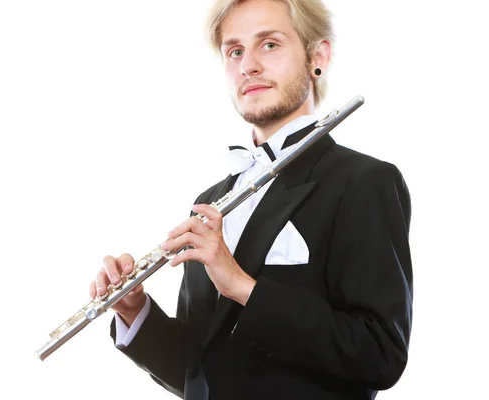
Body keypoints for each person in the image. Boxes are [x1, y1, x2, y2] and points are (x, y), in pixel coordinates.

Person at [88, 0, 413, 399]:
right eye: (235, 51)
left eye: (270, 44)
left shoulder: (364, 182)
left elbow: (380, 352)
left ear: (318, 57)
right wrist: (135, 311)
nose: (248, 66)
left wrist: (244, 288)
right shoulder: (210, 201)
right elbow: (201, 375)